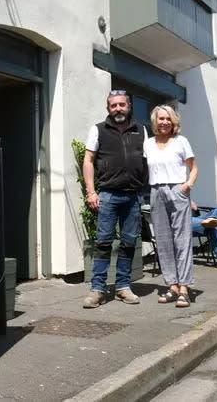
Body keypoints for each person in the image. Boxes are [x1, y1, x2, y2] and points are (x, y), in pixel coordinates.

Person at [82, 90, 148, 308]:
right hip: (109, 194)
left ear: (129, 106)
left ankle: (122, 287)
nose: (118, 108)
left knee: (129, 243)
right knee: (103, 243)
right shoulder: (98, 130)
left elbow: (148, 161)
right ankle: (97, 290)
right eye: (113, 105)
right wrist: (91, 192)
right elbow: (89, 160)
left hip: (133, 196)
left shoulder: (141, 130)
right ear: (108, 108)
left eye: (122, 104)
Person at [144, 104, 198, 308]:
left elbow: (194, 168)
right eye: (161, 119)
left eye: (168, 119)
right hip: (156, 192)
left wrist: (187, 186)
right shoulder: (148, 144)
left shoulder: (181, 141)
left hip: (177, 190)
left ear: (173, 121)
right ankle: (172, 285)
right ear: (155, 122)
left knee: (182, 239)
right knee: (164, 240)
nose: (164, 122)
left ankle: (184, 287)